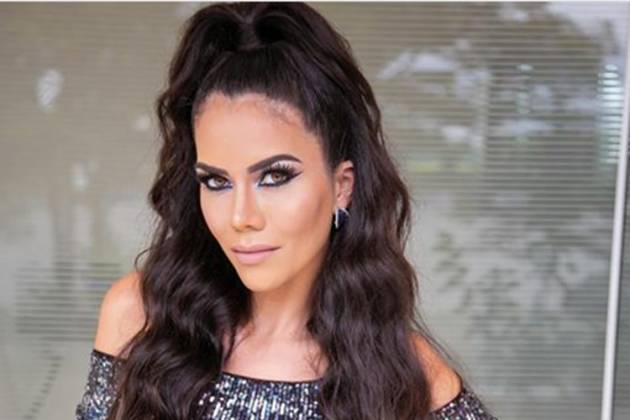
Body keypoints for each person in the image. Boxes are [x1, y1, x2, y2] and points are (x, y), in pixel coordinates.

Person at [75, 2, 497, 419]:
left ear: (342, 186)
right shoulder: (141, 318)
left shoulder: (405, 377)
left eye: (275, 176)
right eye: (216, 182)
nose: (241, 216)